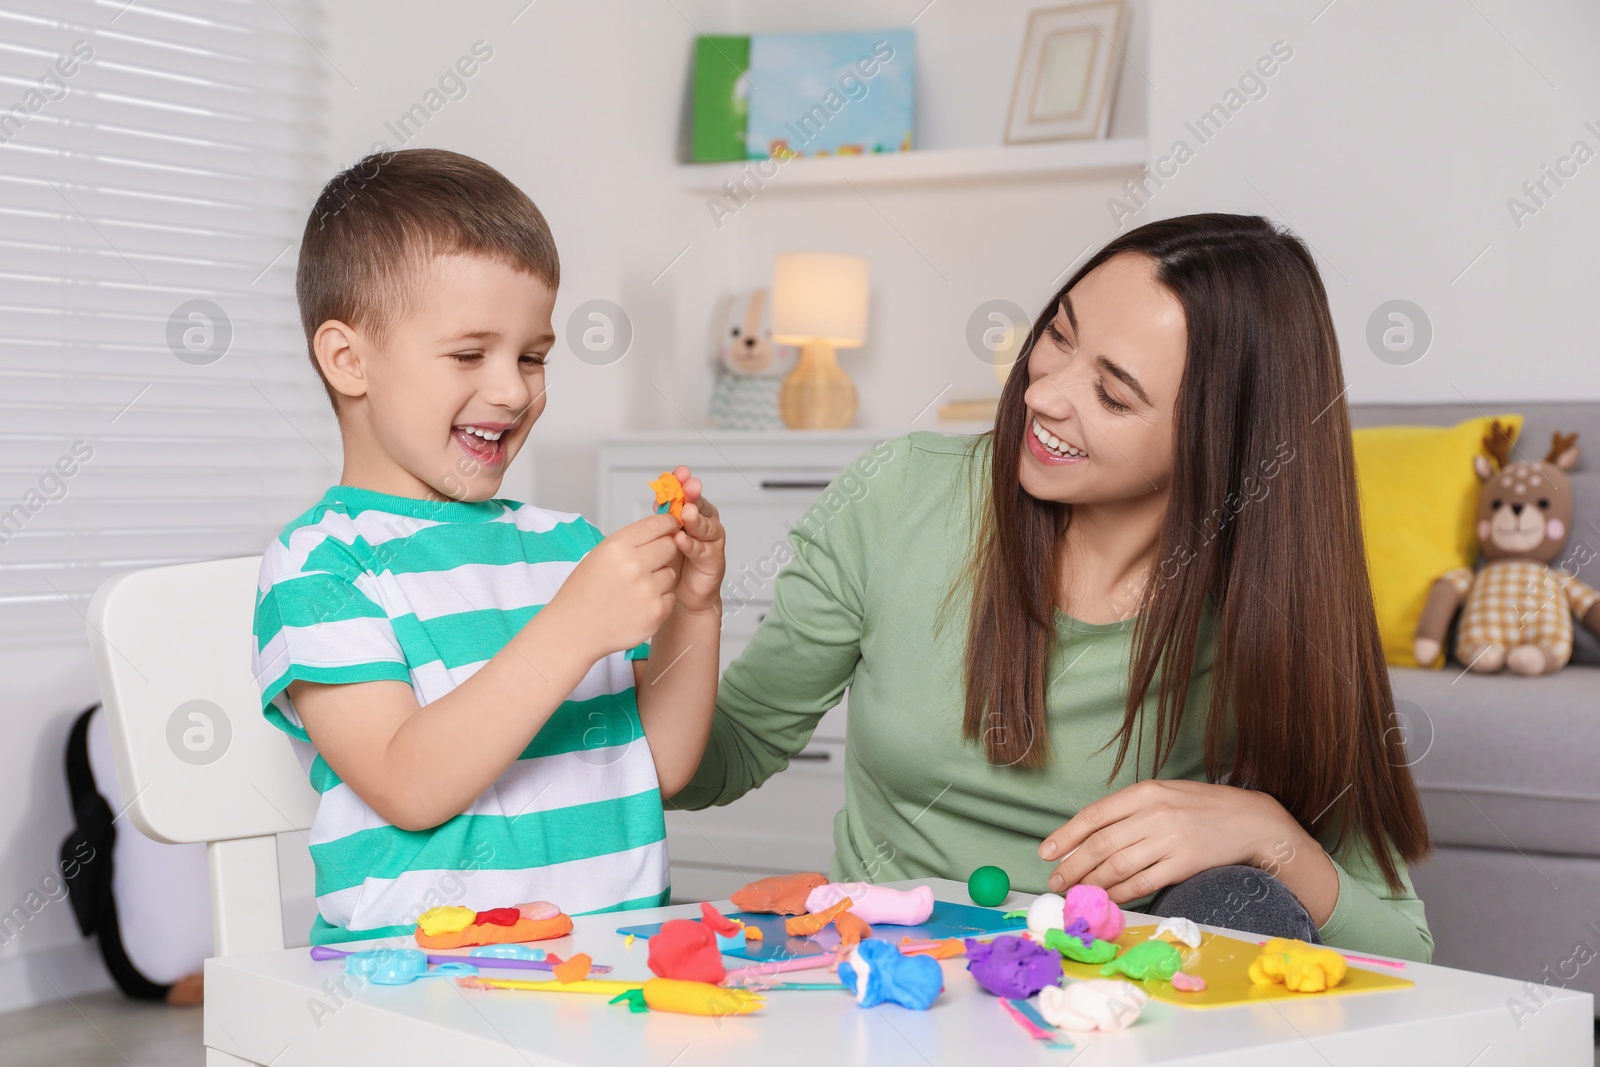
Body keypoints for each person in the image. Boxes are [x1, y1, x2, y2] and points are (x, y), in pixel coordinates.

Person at [674, 213, 1433, 961]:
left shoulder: (1263, 609)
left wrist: (1269, 834)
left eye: (1113, 394)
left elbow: (1406, 946)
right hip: (891, 991)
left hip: (1114, 1017)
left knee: (1249, 907)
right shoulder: (901, 495)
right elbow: (723, 758)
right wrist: (683, 619)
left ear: (1218, 442)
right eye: (1060, 336)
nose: (1044, 396)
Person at [251, 149, 726, 945]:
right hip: (417, 984)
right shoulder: (321, 567)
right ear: (348, 359)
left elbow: (662, 765)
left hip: (609, 969)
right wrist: (573, 628)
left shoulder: (568, 547)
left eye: (532, 355)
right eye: (470, 354)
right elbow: (408, 783)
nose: (513, 388)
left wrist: (696, 608)